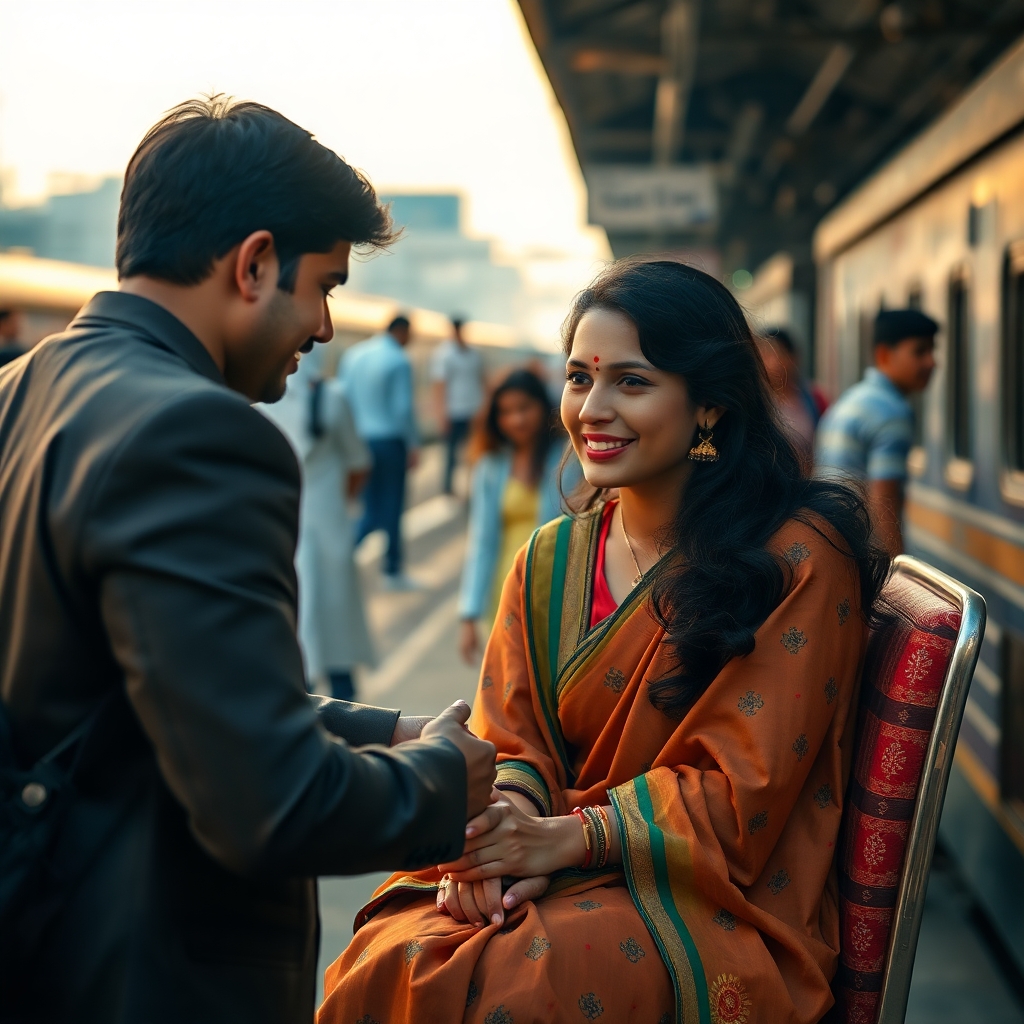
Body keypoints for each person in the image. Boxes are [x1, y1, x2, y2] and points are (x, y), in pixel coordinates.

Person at [0, 97, 496, 1024]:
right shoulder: (198, 433)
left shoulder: (19, 395)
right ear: (256, 262)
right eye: (326, 288)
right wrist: (438, 785)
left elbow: (149, 696)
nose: (323, 328)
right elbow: (265, 804)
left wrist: (382, 731)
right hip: (145, 975)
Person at [318, 260, 888, 1024]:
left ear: (710, 407)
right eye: (579, 377)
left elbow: (741, 796)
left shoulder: (797, 559)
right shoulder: (550, 559)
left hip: (710, 900)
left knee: (521, 982)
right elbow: (508, 739)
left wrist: (566, 840)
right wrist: (497, 840)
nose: (593, 408)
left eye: (632, 381)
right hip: (550, 857)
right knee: (398, 952)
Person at [261, 343, 375, 701]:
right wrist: (342, 502)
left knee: (293, 627)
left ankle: (301, 706)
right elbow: (359, 464)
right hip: (329, 523)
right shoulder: (333, 397)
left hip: (278, 525)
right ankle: (352, 720)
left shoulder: (260, 400)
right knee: (336, 626)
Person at [457, 368, 579, 664]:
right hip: (505, 586)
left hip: (558, 587)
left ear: (543, 406)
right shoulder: (490, 466)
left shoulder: (569, 458)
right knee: (508, 680)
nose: (517, 419)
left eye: (524, 408)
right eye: (506, 411)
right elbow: (482, 542)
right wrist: (470, 612)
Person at [816, 308, 938, 555]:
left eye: (932, 351)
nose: (932, 362)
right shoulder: (891, 412)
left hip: (831, 542)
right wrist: (896, 572)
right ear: (884, 354)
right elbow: (884, 504)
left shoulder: (856, 397)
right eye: (920, 351)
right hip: (857, 550)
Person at [339, 314, 420, 589]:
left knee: (368, 505)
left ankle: (341, 556)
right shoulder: (398, 360)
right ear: (402, 332)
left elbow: (343, 398)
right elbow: (402, 410)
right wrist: (413, 444)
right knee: (392, 506)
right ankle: (392, 570)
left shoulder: (353, 355)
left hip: (359, 438)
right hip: (389, 441)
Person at [756, 326, 820, 475]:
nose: (773, 363)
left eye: (779, 354)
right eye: (765, 355)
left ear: (793, 357)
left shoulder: (814, 398)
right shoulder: (755, 401)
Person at [432, 315, 484, 495]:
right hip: (453, 410)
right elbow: (440, 386)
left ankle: (471, 487)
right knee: (451, 453)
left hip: (472, 409)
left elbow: (480, 380)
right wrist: (441, 413)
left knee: (473, 451)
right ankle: (448, 487)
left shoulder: (473, 354)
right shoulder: (444, 354)